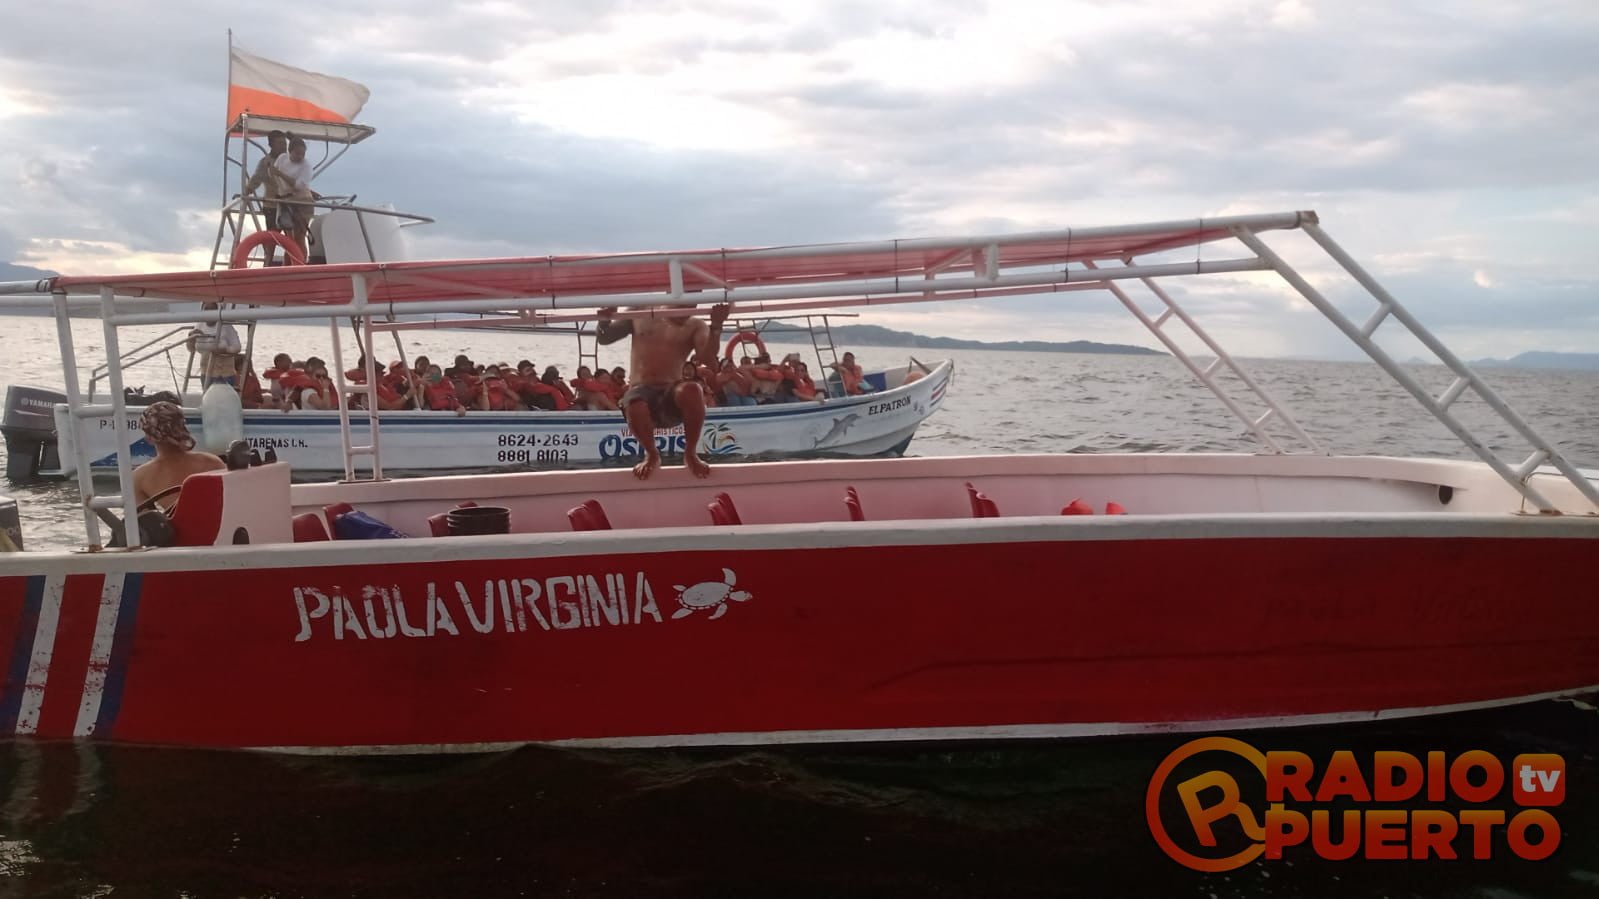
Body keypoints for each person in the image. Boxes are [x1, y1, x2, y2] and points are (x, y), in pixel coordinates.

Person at [595, 302, 730, 479]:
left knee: (692, 389)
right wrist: (604, 320)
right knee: (635, 402)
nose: (686, 310)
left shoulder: (696, 325)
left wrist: (716, 326)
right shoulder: (640, 311)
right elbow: (605, 338)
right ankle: (651, 454)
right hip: (640, 390)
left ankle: (690, 453)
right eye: (683, 303)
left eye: (692, 303)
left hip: (670, 393)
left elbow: (709, 360)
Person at [131, 401, 226, 512]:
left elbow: (145, 519)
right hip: (218, 522)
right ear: (182, 427)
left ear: (149, 438)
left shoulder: (140, 477)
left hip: (180, 523)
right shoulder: (212, 462)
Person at [241, 130, 288, 263]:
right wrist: (246, 192)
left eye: (284, 143)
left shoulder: (290, 161)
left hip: (290, 205)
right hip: (272, 205)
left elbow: (296, 181)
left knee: (292, 239)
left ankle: (291, 266)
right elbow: (256, 179)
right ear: (271, 145)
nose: (283, 147)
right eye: (280, 143)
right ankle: (267, 264)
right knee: (272, 238)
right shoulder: (266, 162)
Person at [272, 135, 319, 260]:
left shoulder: (306, 166)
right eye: (297, 153)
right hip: (285, 200)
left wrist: (280, 174)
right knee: (288, 238)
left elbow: (299, 185)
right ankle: (287, 266)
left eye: (303, 154)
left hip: (302, 203)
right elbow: (273, 172)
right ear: (290, 151)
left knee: (299, 237)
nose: (300, 156)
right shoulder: (282, 158)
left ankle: (301, 263)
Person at [186, 303, 242, 389]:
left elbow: (237, 347)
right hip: (205, 373)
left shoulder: (226, 326)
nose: (209, 312)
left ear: (217, 310)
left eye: (212, 309)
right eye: (206, 309)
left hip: (224, 375)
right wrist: (191, 337)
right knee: (207, 395)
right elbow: (191, 348)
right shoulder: (199, 325)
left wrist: (225, 350)